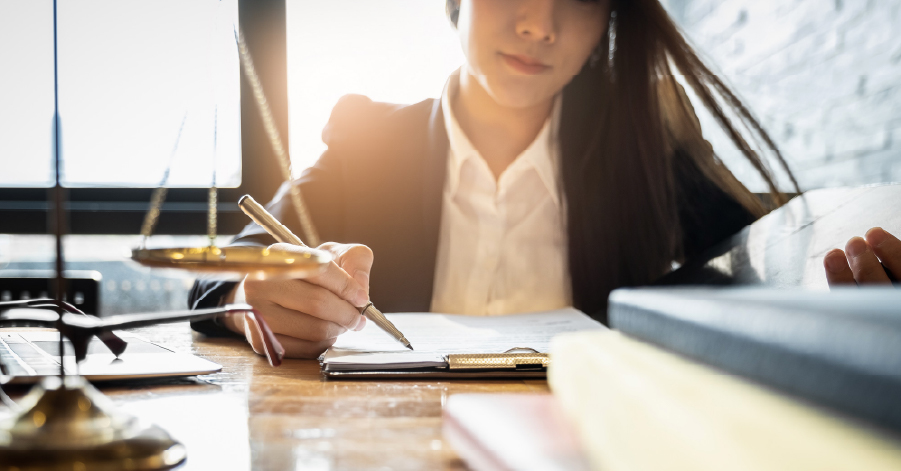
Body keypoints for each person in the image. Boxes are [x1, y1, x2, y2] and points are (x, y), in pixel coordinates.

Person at [190, 0, 899, 359]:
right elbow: (216, 275)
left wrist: (852, 292)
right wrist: (252, 296)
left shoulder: (642, 149)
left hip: (590, 466)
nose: (539, 23)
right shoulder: (367, 140)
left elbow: (763, 266)